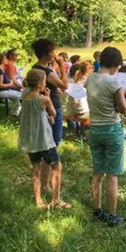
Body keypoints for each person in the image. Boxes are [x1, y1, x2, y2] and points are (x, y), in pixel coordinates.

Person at [85, 47, 126, 227]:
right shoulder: (114, 83)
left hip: (95, 129)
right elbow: (122, 108)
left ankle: (97, 209)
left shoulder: (90, 78)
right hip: (111, 129)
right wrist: (123, 108)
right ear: (116, 65)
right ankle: (113, 215)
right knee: (112, 175)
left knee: (97, 172)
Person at [18, 68, 68, 209]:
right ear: (41, 84)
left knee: (36, 170)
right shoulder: (44, 99)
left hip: (31, 140)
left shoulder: (24, 95)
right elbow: (53, 113)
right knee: (57, 167)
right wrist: (49, 96)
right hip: (44, 140)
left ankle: (38, 201)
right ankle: (56, 200)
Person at [31, 38, 68, 147]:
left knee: (43, 135)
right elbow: (65, 85)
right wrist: (61, 66)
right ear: (44, 55)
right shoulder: (47, 72)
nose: (54, 55)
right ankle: (53, 159)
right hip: (52, 105)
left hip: (40, 104)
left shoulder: (34, 67)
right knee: (55, 137)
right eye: (52, 52)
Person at [63, 61, 92, 136]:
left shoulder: (73, 82)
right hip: (82, 111)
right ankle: (85, 135)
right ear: (88, 69)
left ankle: (76, 131)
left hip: (71, 111)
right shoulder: (88, 80)